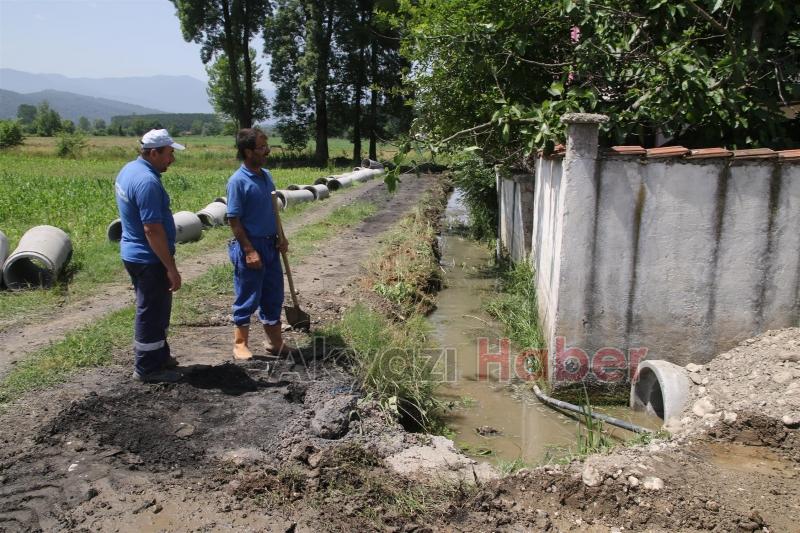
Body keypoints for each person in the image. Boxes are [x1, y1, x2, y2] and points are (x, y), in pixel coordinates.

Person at [114, 129, 184, 383]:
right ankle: (148, 369)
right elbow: (152, 229)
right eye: (169, 154)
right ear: (153, 152)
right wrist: (170, 267)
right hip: (148, 258)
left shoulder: (129, 170)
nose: (171, 159)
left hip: (134, 253)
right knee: (151, 311)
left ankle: (159, 356)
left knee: (155, 309)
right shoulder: (147, 182)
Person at [226, 127, 294, 359]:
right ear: (247, 152)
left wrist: (281, 237)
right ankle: (240, 344)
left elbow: (272, 212)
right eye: (262, 147)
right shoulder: (238, 181)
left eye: (267, 146)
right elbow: (233, 220)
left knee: (273, 294)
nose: (267, 151)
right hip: (250, 245)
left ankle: (275, 343)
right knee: (247, 294)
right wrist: (248, 250)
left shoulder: (266, 176)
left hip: (270, 244)